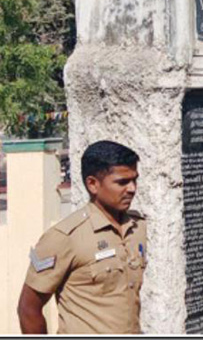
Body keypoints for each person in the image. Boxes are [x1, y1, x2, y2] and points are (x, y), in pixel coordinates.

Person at [17, 141, 146, 334]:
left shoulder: (137, 227)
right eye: (122, 182)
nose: (132, 189)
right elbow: (28, 309)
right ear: (93, 184)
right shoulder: (64, 237)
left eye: (134, 180)